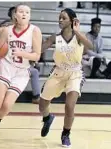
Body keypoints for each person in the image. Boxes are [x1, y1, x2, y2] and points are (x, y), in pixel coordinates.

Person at [0, 4, 42, 148]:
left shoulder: (35, 31)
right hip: (5, 67)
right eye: (21, 11)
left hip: (21, 72)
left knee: (7, 105)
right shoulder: (7, 31)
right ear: (15, 15)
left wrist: (23, 54)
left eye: (27, 12)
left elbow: (37, 56)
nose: (24, 14)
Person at [39, 8, 93, 147]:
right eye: (59, 17)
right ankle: (47, 118)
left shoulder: (79, 37)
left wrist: (77, 31)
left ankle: (65, 134)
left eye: (63, 18)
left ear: (72, 20)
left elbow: (90, 46)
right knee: (42, 105)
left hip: (75, 74)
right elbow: (40, 49)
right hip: (58, 72)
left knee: (69, 107)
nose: (60, 20)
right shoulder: (55, 37)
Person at [0, 6, 40, 104]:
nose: (23, 14)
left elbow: (37, 49)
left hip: (23, 63)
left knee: (34, 72)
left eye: (26, 12)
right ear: (13, 15)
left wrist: (35, 59)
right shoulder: (7, 26)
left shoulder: (31, 30)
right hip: (8, 63)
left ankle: (36, 96)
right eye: (19, 12)